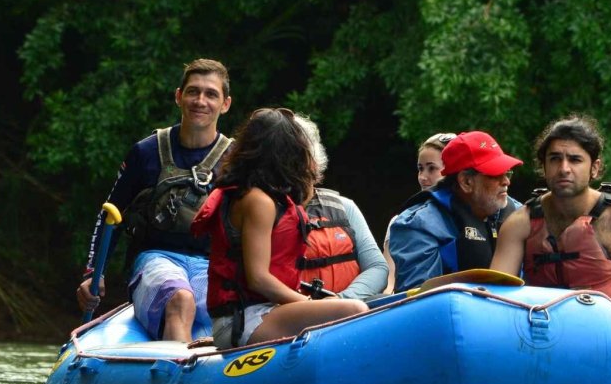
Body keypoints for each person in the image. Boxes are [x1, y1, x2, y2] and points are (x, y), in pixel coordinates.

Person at [76, 58, 233, 342]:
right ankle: (177, 380)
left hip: (209, 265)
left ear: (225, 104)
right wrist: (92, 273)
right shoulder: (145, 152)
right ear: (178, 97)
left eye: (211, 94)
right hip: (154, 260)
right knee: (180, 300)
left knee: (227, 314)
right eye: (192, 92)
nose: (200, 101)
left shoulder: (237, 161)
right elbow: (110, 214)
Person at [190, 108, 368, 346]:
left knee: (344, 306)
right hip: (245, 320)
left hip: (256, 313)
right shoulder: (258, 201)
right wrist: (307, 305)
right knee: (354, 309)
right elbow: (258, 279)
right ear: (282, 153)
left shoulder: (260, 195)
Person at [491, 114, 611, 324]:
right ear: (544, 167)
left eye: (575, 159)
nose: (564, 168)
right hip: (545, 335)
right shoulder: (519, 224)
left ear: (595, 167)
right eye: (555, 159)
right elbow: (498, 294)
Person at [387, 130, 524, 292]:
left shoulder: (522, 215)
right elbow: (421, 304)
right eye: (495, 174)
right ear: (466, 182)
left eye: (507, 172)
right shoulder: (417, 226)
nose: (506, 181)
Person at [292, 114, 388, 299]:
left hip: (348, 310)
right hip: (298, 316)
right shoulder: (267, 212)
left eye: (303, 155)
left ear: (315, 160)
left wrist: (342, 300)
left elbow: (378, 268)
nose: (297, 165)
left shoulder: (345, 207)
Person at [383, 132, 457, 292]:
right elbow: (389, 282)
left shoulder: (485, 216)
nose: (423, 177)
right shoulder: (403, 220)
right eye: (420, 168)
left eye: (432, 168)